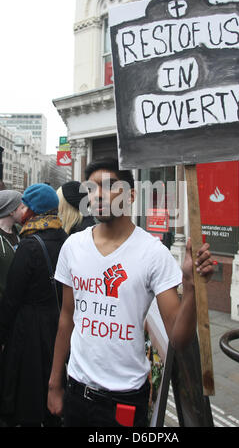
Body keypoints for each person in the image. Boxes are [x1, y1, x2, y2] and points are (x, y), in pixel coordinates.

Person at [47, 158, 214, 427]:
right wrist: (55, 382)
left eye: (109, 185)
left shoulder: (153, 253)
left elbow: (178, 339)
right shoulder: (73, 247)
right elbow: (67, 319)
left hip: (125, 401)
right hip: (76, 392)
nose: (98, 194)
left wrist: (192, 288)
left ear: (131, 195)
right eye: (91, 188)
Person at [0, 183, 68, 427]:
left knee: (27, 395)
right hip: (59, 322)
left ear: (34, 210)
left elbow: (12, 298)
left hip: (29, 330)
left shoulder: (29, 245)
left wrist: (3, 335)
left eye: (25, 205)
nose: (22, 210)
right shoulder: (65, 238)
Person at [0, 190, 24, 301]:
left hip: (18, 304)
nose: (26, 212)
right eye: (22, 208)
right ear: (11, 211)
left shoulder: (21, 232)